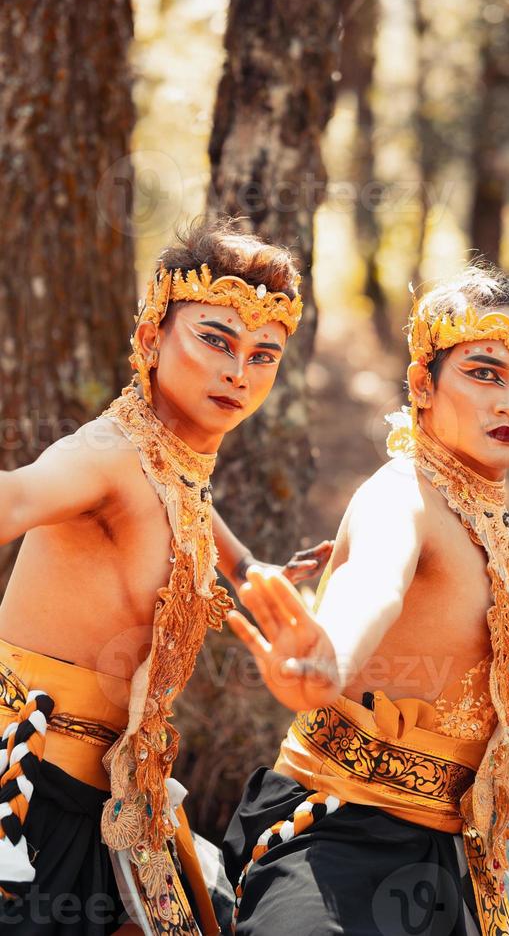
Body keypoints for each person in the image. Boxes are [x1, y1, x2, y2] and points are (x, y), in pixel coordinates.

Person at [223, 265, 509, 936]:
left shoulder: (477, 502)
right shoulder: (403, 497)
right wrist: (327, 657)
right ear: (424, 384)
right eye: (485, 373)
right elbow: (375, 584)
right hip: (345, 830)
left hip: (464, 839)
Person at [0, 217, 330, 935]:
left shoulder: (174, 464)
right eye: (215, 340)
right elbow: (17, 497)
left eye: (263, 354)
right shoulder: (109, 454)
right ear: (151, 339)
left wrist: (255, 572)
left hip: (115, 802)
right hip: (28, 794)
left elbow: (195, 519)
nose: (238, 371)